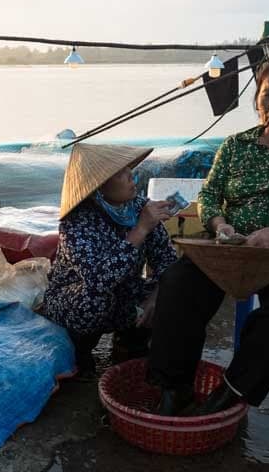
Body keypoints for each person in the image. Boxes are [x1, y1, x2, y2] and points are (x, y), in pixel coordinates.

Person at [147, 57, 269, 416]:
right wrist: (219, 225)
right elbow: (209, 194)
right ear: (256, 99)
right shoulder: (235, 145)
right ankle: (174, 388)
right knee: (177, 284)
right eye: (267, 94)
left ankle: (229, 392)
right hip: (230, 247)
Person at [43, 144, 177, 377]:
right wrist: (141, 229)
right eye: (121, 174)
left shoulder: (140, 208)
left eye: (129, 171)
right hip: (75, 300)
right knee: (95, 298)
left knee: (174, 292)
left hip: (125, 294)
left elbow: (168, 262)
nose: (131, 177)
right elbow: (98, 281)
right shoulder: (76, 222)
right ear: (99, 186)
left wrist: (155, 298)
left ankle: (130, 342)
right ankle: (79, 352)